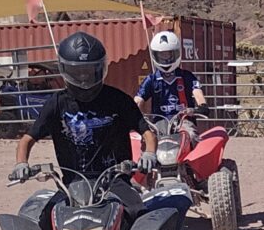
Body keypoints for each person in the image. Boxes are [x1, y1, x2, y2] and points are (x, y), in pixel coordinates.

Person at [10, 32, 157, 185]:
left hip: (116, 183)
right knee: (40, 209)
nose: (84, 79)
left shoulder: (118, 99)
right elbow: (27, 139)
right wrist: (21, 163)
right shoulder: (56, 104)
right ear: (65, 70)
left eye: (89, 71)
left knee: (136, 209)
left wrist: (149, 154)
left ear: (101, 68)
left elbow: (147, 133)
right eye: (77, 72)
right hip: (73, 185)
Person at [134, 30, 210, 120]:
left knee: (190, 133)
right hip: (159, 124)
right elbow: (138, 100)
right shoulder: (151, 79)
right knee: (143, 134)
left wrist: (201, 107)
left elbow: (198, 94)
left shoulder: (187, 76)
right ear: (155, 55)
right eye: (162, 55)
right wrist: (132, 111)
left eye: (168, 54)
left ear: (176, 53)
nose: (165, 58)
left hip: (184, 121)